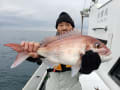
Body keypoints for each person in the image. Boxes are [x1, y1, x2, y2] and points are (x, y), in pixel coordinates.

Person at [21, 12, 101, 90]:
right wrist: (31, 56)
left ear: (72, 28)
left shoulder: (80, 44)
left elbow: (83, 69)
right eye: (61, 25)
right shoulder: (49, 43)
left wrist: (90, 64)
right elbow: (39, 58)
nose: (64, 27)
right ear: (57, 28)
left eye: (68, 25)